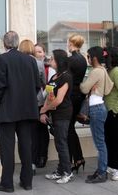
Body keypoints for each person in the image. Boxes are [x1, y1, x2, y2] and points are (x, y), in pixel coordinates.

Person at [0, 31, 40, 193]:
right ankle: (27, 182)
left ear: (5, 44)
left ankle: (7, 183)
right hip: (27, 110)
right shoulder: (30, 60)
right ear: (17, 43)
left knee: (7, 148)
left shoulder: (1, 59)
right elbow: (37, 85)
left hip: (7, 110)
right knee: (26, 146)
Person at [40, 49, 74, 184]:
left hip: (63, 113)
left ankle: (67, 172)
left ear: (59, 61)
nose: (50, 61)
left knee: (61, 142)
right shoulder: (54, 77)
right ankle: (60, 170)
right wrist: (45, 111)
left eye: (52, 59)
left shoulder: (66, 77)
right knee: (59, 142)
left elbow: (59, 100)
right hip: (54, 113)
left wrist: (44, 108)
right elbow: (49, 96)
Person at [80, 46, 113, 183]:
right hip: (100, 106)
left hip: (96, 108)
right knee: (101, 142)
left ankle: (102, 172)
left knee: (100, 143)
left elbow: (83, 88)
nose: (87, 59)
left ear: (93, 58)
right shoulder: (103, 70)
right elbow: (109, 87)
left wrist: (90, 87)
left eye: (88, 56)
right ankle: (101, 170)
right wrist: (97, 89)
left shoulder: (95, 71)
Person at [19, 39, 46, 174]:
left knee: (25, 133)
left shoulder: (17, 62)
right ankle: (33, 162)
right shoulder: (39, 63)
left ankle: (26, 161)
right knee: (35, 133)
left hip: (21, 102)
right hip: (36, 101)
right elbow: (43, 82)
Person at [103, 47, 118, 181]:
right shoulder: (109, 71)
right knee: (110, 140)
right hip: (108, 111)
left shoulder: (117, 72)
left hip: (115, 112)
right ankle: (112, 165)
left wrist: (115, 110)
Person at [66, 34, 87, 173]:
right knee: (70, 127)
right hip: (79, 95)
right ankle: (77, 158)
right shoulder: (83, 59)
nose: (67, 44)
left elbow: (66, 78)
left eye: (68, 42)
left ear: (72, 43)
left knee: (68, 128)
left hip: (71, 96)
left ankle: (77, 158)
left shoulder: (71, 60)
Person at [33, 43, 50, 168]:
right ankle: (36, 155)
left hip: (46, 101)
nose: (38, 54)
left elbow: (48, 84)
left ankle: (43, 155)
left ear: (44, 53)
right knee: (36, 131)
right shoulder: (34, 65)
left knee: (42, 130)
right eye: (35, 52)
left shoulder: (48, 67)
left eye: (40, 52)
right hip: (37, 100)